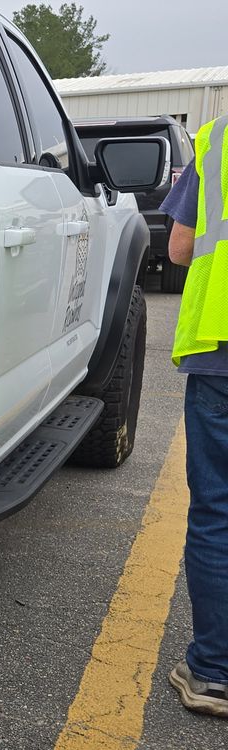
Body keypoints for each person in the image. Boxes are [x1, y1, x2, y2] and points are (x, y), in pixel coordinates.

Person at [162, 118, 228, 718]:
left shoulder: (217, 139)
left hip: (221, 352)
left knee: (216, 511)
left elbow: (180, 248)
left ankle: (212, 673)